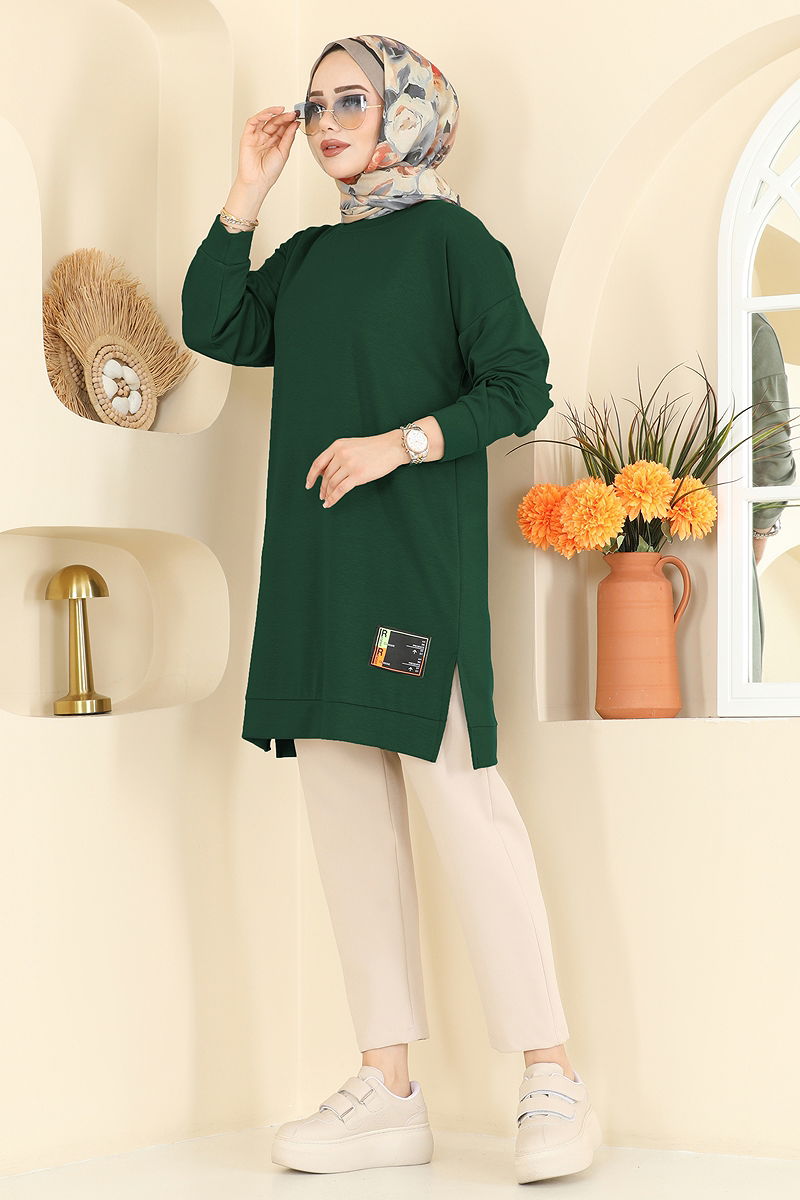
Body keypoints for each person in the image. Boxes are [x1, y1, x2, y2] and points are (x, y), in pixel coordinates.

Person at [181, 33, 603, 1185]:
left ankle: (552, 1077)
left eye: (351, 100)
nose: (326, 121)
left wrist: (399, 444)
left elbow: (519, 385)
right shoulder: (309, 257)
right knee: (347, 830)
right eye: (315, 103)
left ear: (408, 111)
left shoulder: (454, 244)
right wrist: (246, 194)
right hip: (316, 580)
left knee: (464, 812)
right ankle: (388, 1091)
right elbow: (215, 325)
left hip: (410, 576)